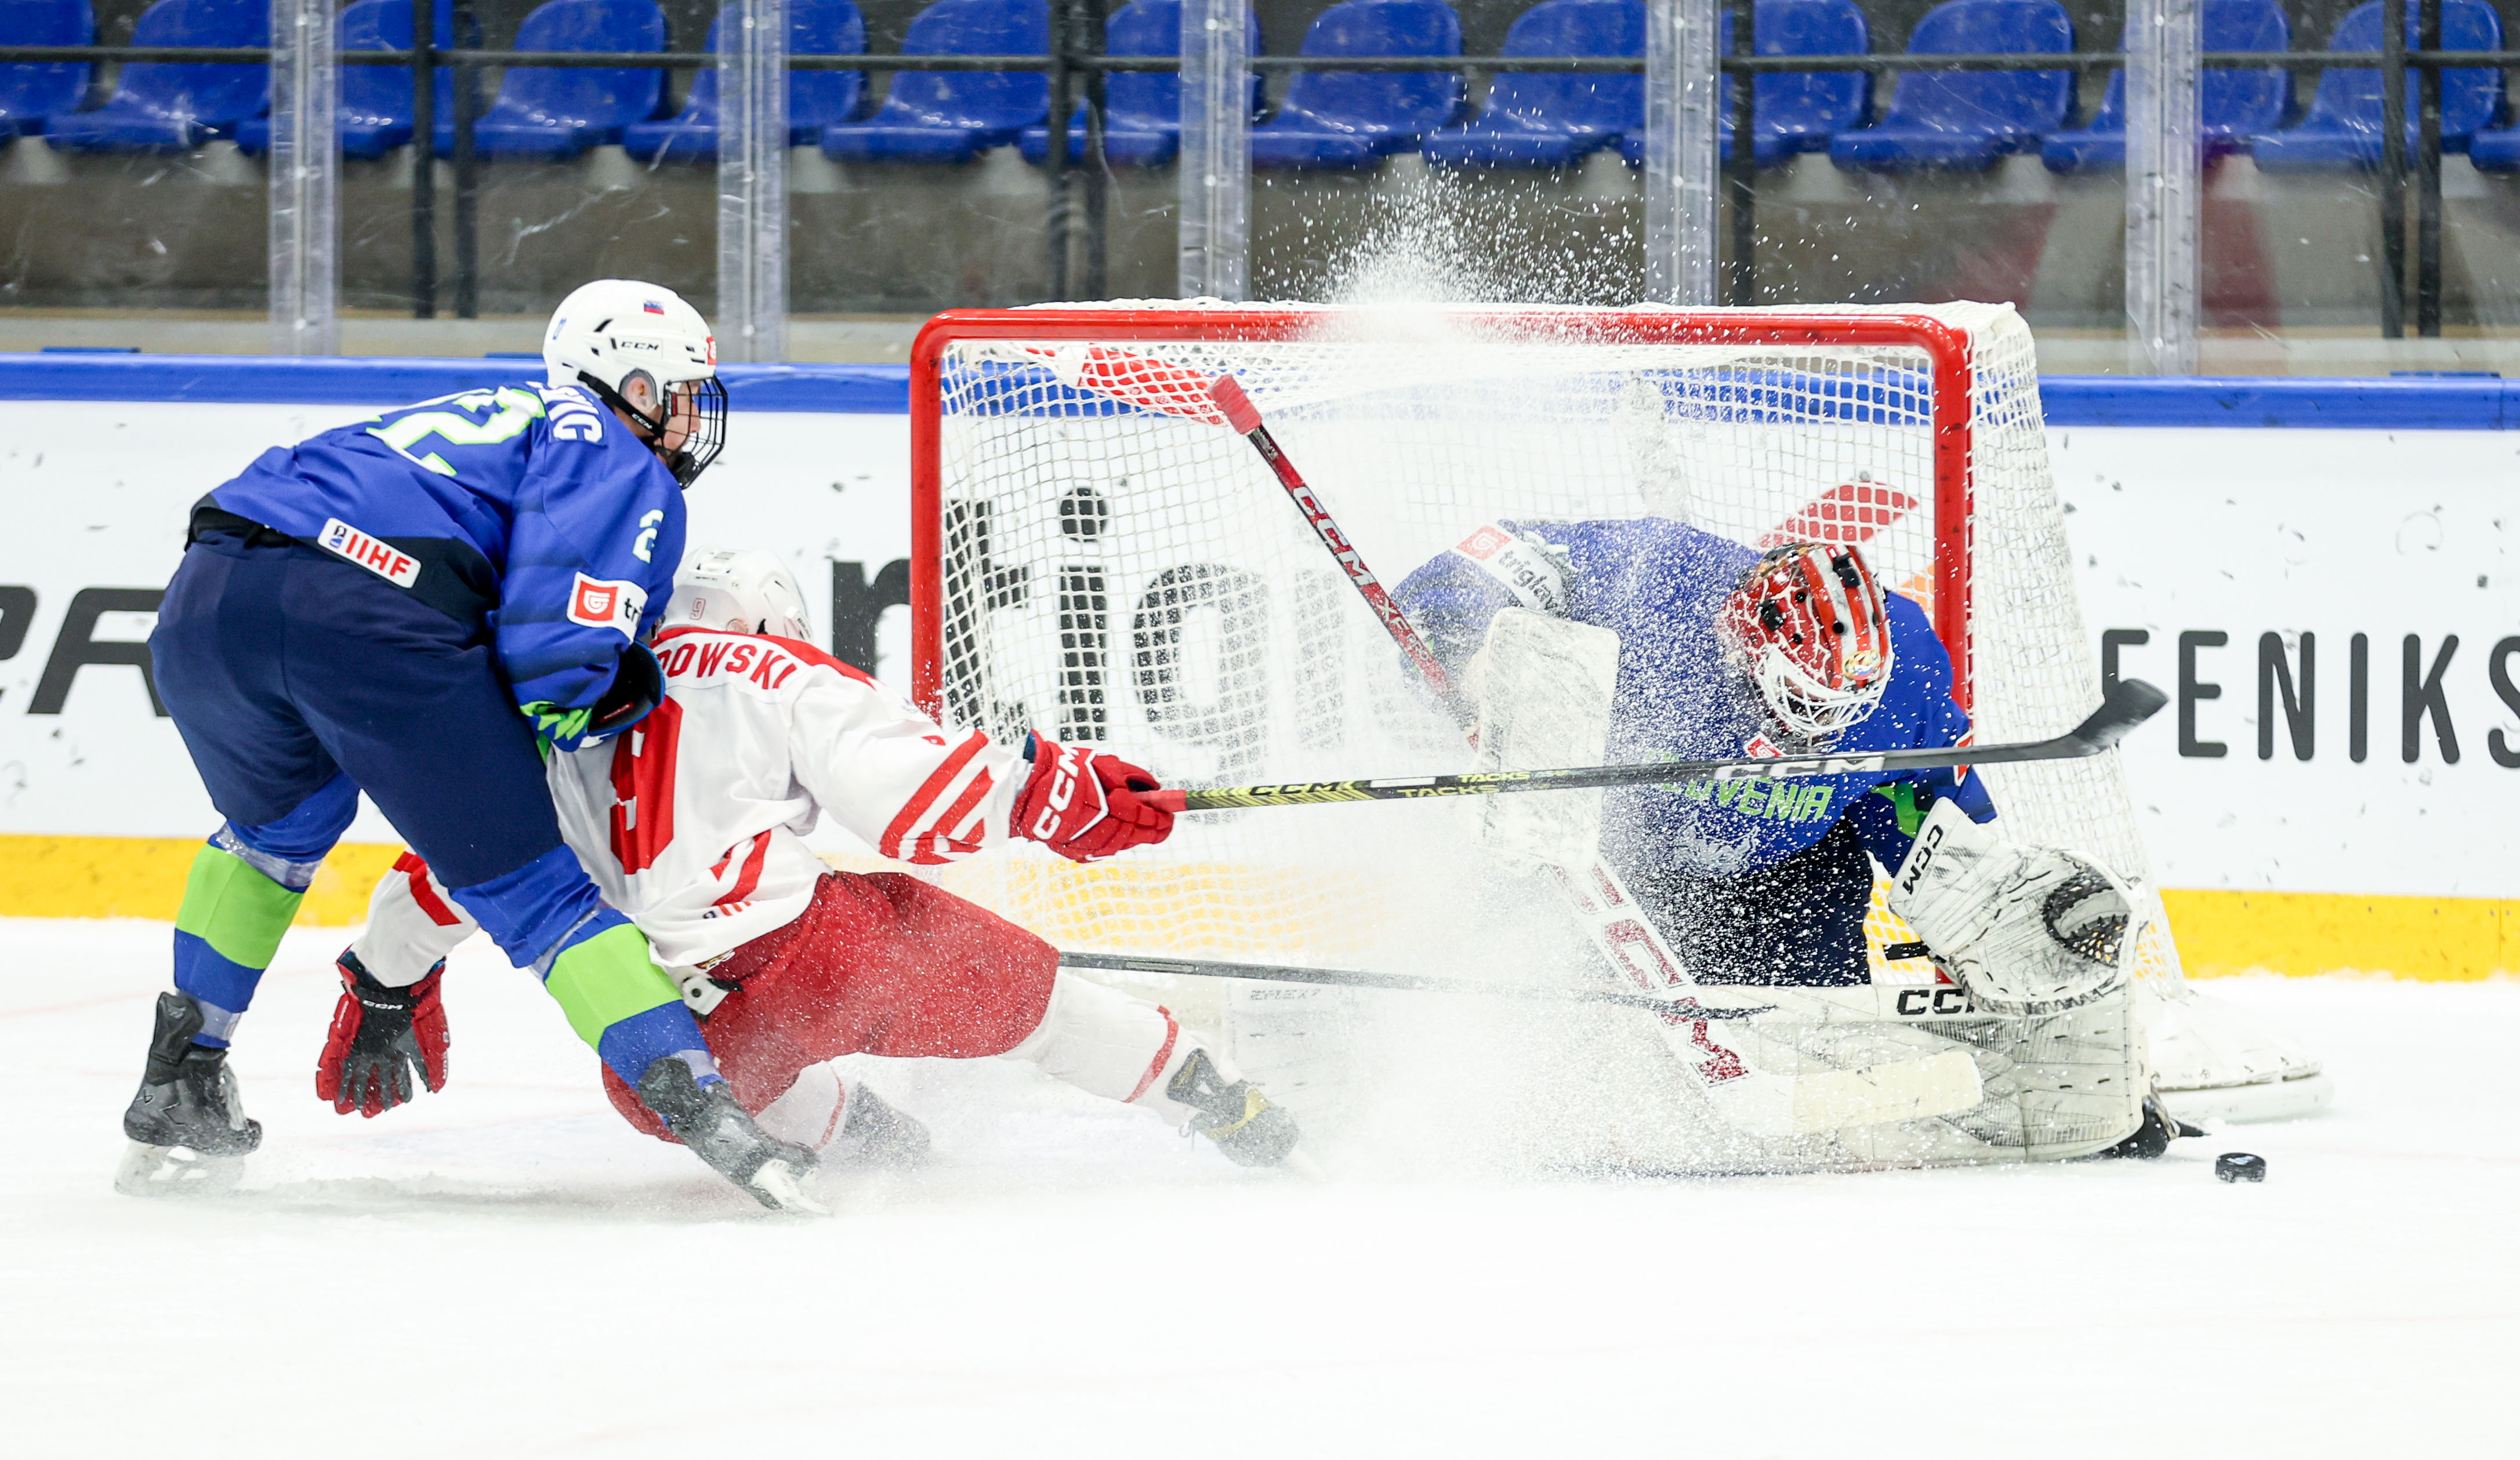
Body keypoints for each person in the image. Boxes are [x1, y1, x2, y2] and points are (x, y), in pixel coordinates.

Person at [125, 282, 821, 1214]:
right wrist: (620, 697)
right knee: (541, 893)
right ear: (631, 385)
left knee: (273, 835)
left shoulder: (487, 415)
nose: (692, 420)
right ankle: (714, 1115)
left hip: (210, 594)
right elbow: (554, 662)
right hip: (364, 611)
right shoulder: (612, 451)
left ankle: (182, 1077)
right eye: (682, 394)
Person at [318, 546, 1301, 1178]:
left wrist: (385, 981)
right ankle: (1222, 1101)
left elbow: (452, 871)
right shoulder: (771, 667)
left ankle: (879, 1142)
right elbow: (914, 797)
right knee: (1042, 1011)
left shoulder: (561, 710)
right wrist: (1057, 790)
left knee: (706, 1077)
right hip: (827, 954)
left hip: (661, 1041)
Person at [1394, 518, 2160, 1163]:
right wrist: (1464, 653)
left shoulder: (1908, 668)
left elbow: (1923, 809)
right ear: (1744, 642)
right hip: (1616, 856)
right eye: (1803, 700)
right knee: (1542, 1012)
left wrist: (1988, 905)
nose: (1819, 732)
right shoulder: (1653, 580)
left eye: (1842, 710)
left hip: (1788, 877)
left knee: (1815, 1050)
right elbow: (1469, 564)